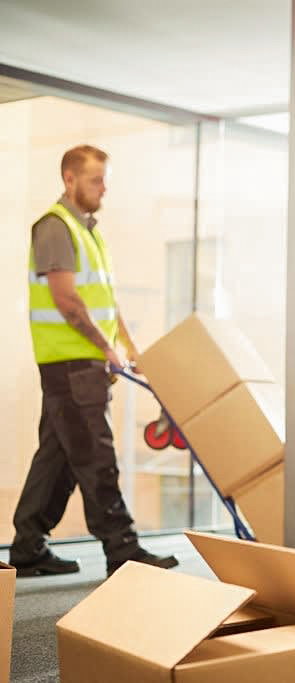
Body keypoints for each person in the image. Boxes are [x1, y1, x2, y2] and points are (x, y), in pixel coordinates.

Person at [11, 145, 179, 578]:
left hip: (83, 361)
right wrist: (108, 349)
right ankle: (121, 547)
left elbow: (103, 299)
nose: (103, 188)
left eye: (104, 179)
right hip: (71, 364)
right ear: (69, 179)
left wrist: (129, 345)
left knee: (58, 458)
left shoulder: (89, 231)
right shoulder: (55, 227)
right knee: (95, 456)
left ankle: (28, 547)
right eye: (95, 179)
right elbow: (66, 300)